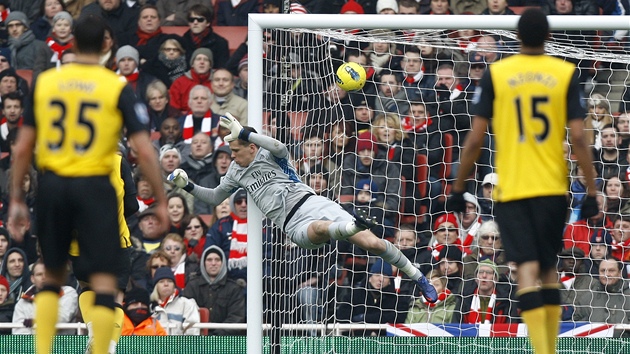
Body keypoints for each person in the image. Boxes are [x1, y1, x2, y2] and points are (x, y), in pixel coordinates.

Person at [7, 15, 168, 354]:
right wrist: (163, 200)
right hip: (95, 187)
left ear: (73, 43)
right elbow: (144, 151)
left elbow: (23, 145)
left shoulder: (47, 82)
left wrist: (19, 197)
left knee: (51, 277)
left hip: (54, 185)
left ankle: (43, 349)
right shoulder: (115, 87)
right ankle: (101, 349)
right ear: (108, 45)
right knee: (105, 282)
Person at [448, 9, 598, 354]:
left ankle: (541, 351)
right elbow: (578, 137)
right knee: (548, 267)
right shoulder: (564, 73)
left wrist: (458, 188)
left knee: (526, 268)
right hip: (552, 188)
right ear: (548, 37)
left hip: (513, 189)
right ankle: (549, 350)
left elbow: (474, 139)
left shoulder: (498, 73)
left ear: (516, 37)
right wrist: (591, 190)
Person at [169, 112, 438, 302]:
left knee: (375, 245)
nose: (232, 159)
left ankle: (417, 277)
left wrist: (245, 131)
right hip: (294, 225)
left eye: (236, 152)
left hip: (314, 201)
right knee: (322, 228)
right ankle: (353, 224)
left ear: (251, 147)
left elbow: (279, 145)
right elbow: (215, 197)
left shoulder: (270, 154)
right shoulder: (235, 174)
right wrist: (187, 186)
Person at [181, 246, 245, 335]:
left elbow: (236, 318)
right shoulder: (192, 286)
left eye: (217, 260)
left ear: (223, 263)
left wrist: (215, 337)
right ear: (203, 263)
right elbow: (185, 314)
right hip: (197, 340)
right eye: (209, 260)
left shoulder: (234, 288)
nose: (213, 263)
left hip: (225, 342)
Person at [12, 261, 78, 335]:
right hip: (31, 345)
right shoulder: (22, 302)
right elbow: (19, 334)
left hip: (64, 344)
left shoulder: (68, 292)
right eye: (39, 274)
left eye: (47, 274)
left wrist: (36, 321)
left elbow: (63, 317)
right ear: (32, 279)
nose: (44, 277)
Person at [150, 266, 200, 335]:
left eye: (169, 281)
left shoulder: (187, 304)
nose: (166, 284)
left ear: (174, 285)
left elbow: (192, 333)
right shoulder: (150, 308)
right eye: (161, 282)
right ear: (156, 286)